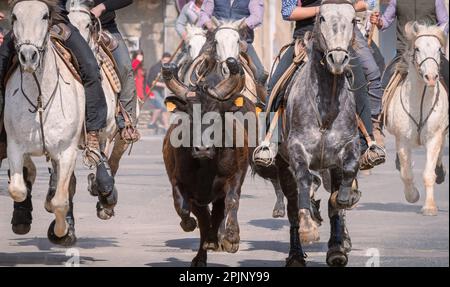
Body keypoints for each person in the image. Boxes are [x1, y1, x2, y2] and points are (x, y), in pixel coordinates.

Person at [253, 0, 386, 170]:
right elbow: (288, 12)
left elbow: (369, 2)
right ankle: (268, 142)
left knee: (359, 81)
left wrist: (345, 9)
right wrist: (320, 10)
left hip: (340, 38)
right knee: (274, 84)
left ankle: (367, 142)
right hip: (306, 37)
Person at [0, 0, 107, 158]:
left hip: (57, 20)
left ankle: (92, 132)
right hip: (26, 18)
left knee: (90, 67)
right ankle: (2, 136)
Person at [89, 0, 140, 142]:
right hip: (71, 26)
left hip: (105, 27)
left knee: (124, 66)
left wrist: (102, 7)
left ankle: (126, 120)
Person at [370, 0, 449, 91]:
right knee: (383, 85)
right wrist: (378, 21)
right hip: (403, 52)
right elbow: (385, 21)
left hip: (431, 54)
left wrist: (435, 38)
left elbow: (445, 22)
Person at [197, 0, 267, 84]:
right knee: (196, 67)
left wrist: (241, 25)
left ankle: (262, 96)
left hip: (242, 41)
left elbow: (256, 16)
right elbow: (204, 13)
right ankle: (191, 91)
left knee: (260, 74)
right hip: (216, 39)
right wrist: (209, 24)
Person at [145, 52, 171, 131]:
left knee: (160, 107)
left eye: (168, 61)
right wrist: (162, 85)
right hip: (154, 90)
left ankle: (154, 124)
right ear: (161, 59)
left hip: (162, 91)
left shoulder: (168, 67)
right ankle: (163, 126)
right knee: (162, 107)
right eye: (165, 61)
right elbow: (150, 81)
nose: (166, 63)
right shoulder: (155, 68)